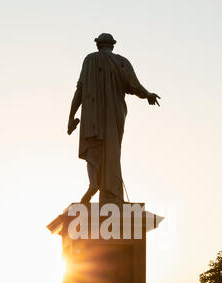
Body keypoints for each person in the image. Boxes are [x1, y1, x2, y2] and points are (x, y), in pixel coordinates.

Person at [67, 33, 160, 204]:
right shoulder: (120, 61)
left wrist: (71, 117)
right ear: (112, 45)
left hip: (92, 116)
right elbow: (134, 84)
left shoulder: (89, 60)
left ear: (98, 45)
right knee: (112, 151)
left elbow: (79, 90)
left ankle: (94, 184)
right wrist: (148, 94)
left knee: (93, 148)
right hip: (114, 114)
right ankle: (111, 193)